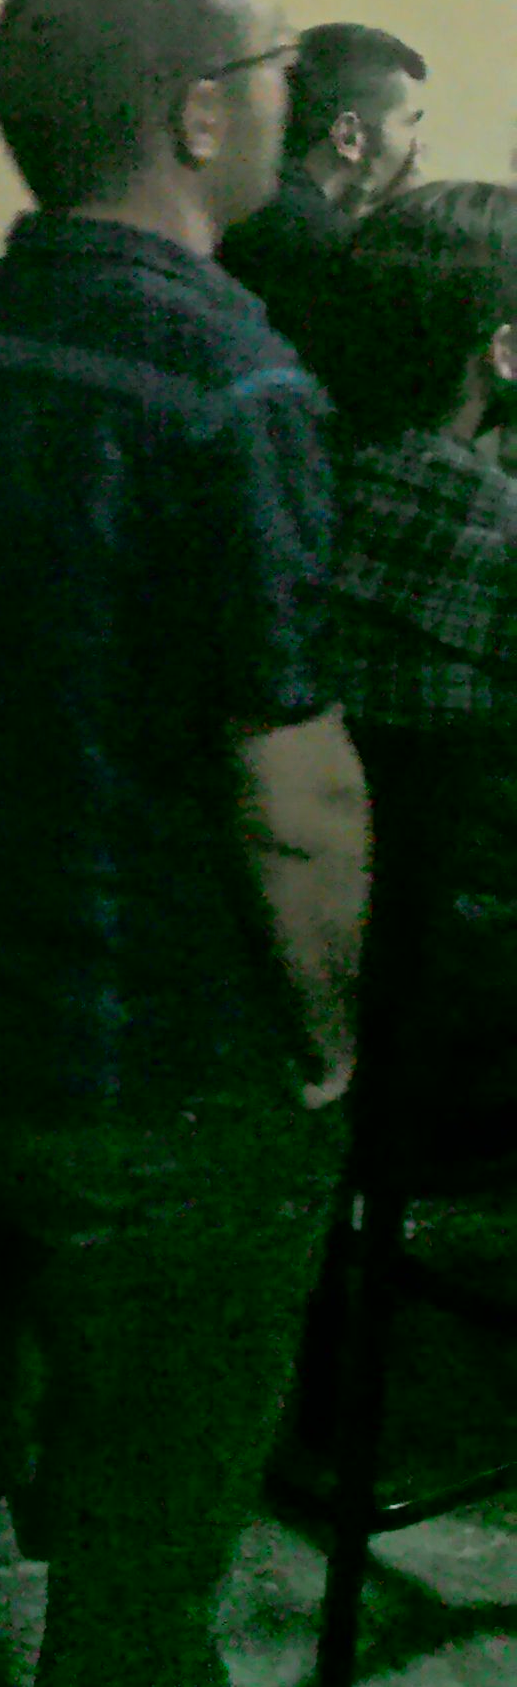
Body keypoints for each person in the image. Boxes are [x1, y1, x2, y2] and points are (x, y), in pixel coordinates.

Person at [0, 0, 368, 1687]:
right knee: (139, 1577)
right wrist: (326, 1044)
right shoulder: (239, 386)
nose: (290, 98)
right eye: (277, 67)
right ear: (199, 115)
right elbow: (293, 796)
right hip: (153, 1083)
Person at [324, 180, 517, 1150]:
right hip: (475, 1015)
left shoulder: (297, 484)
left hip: (322, 974)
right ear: (501, 352)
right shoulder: (498, 532)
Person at [217, 21, 428, 389]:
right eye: (409, 124)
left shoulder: (235, 201)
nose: (417, 147)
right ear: (349, 136)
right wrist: (407, 217)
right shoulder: (331, 251)